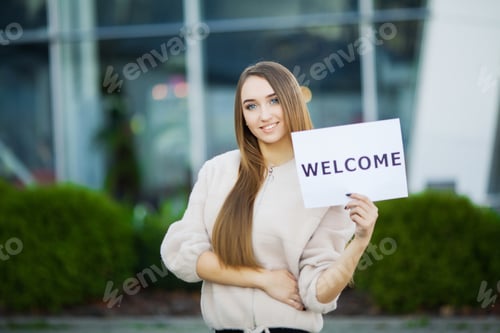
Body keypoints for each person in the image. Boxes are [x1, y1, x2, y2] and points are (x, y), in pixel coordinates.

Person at [160, 61, 379, 333]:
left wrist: (359, 241)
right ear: (242, 115)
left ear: (292, 102)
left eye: (274, 101)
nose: (264, 115)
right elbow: (181, 253)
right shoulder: (217, 171)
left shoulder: (324, 178)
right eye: (251, 106)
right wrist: (263, 279)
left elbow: (317, 294)